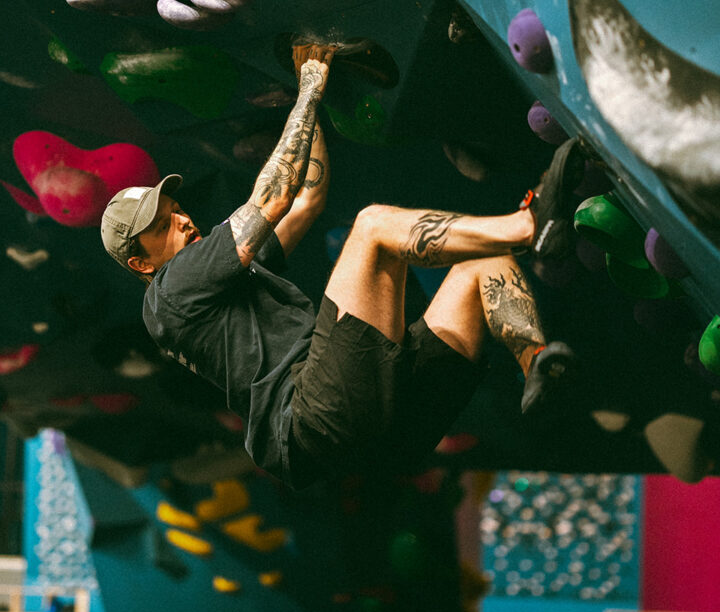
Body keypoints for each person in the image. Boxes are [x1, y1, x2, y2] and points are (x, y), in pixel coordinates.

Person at [100, 45, 582, 490]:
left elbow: (306, 198)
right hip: (312, 419)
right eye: (162, 227)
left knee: (481, 262)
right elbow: (272, 198)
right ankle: (529, 225)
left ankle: (537, 366)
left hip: (377, 436)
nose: (182, 221)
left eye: (177, 210)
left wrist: (311, 102)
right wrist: (309, 85)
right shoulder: (170, 289)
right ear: (141, 262)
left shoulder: (215, 285)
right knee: (372, 226)